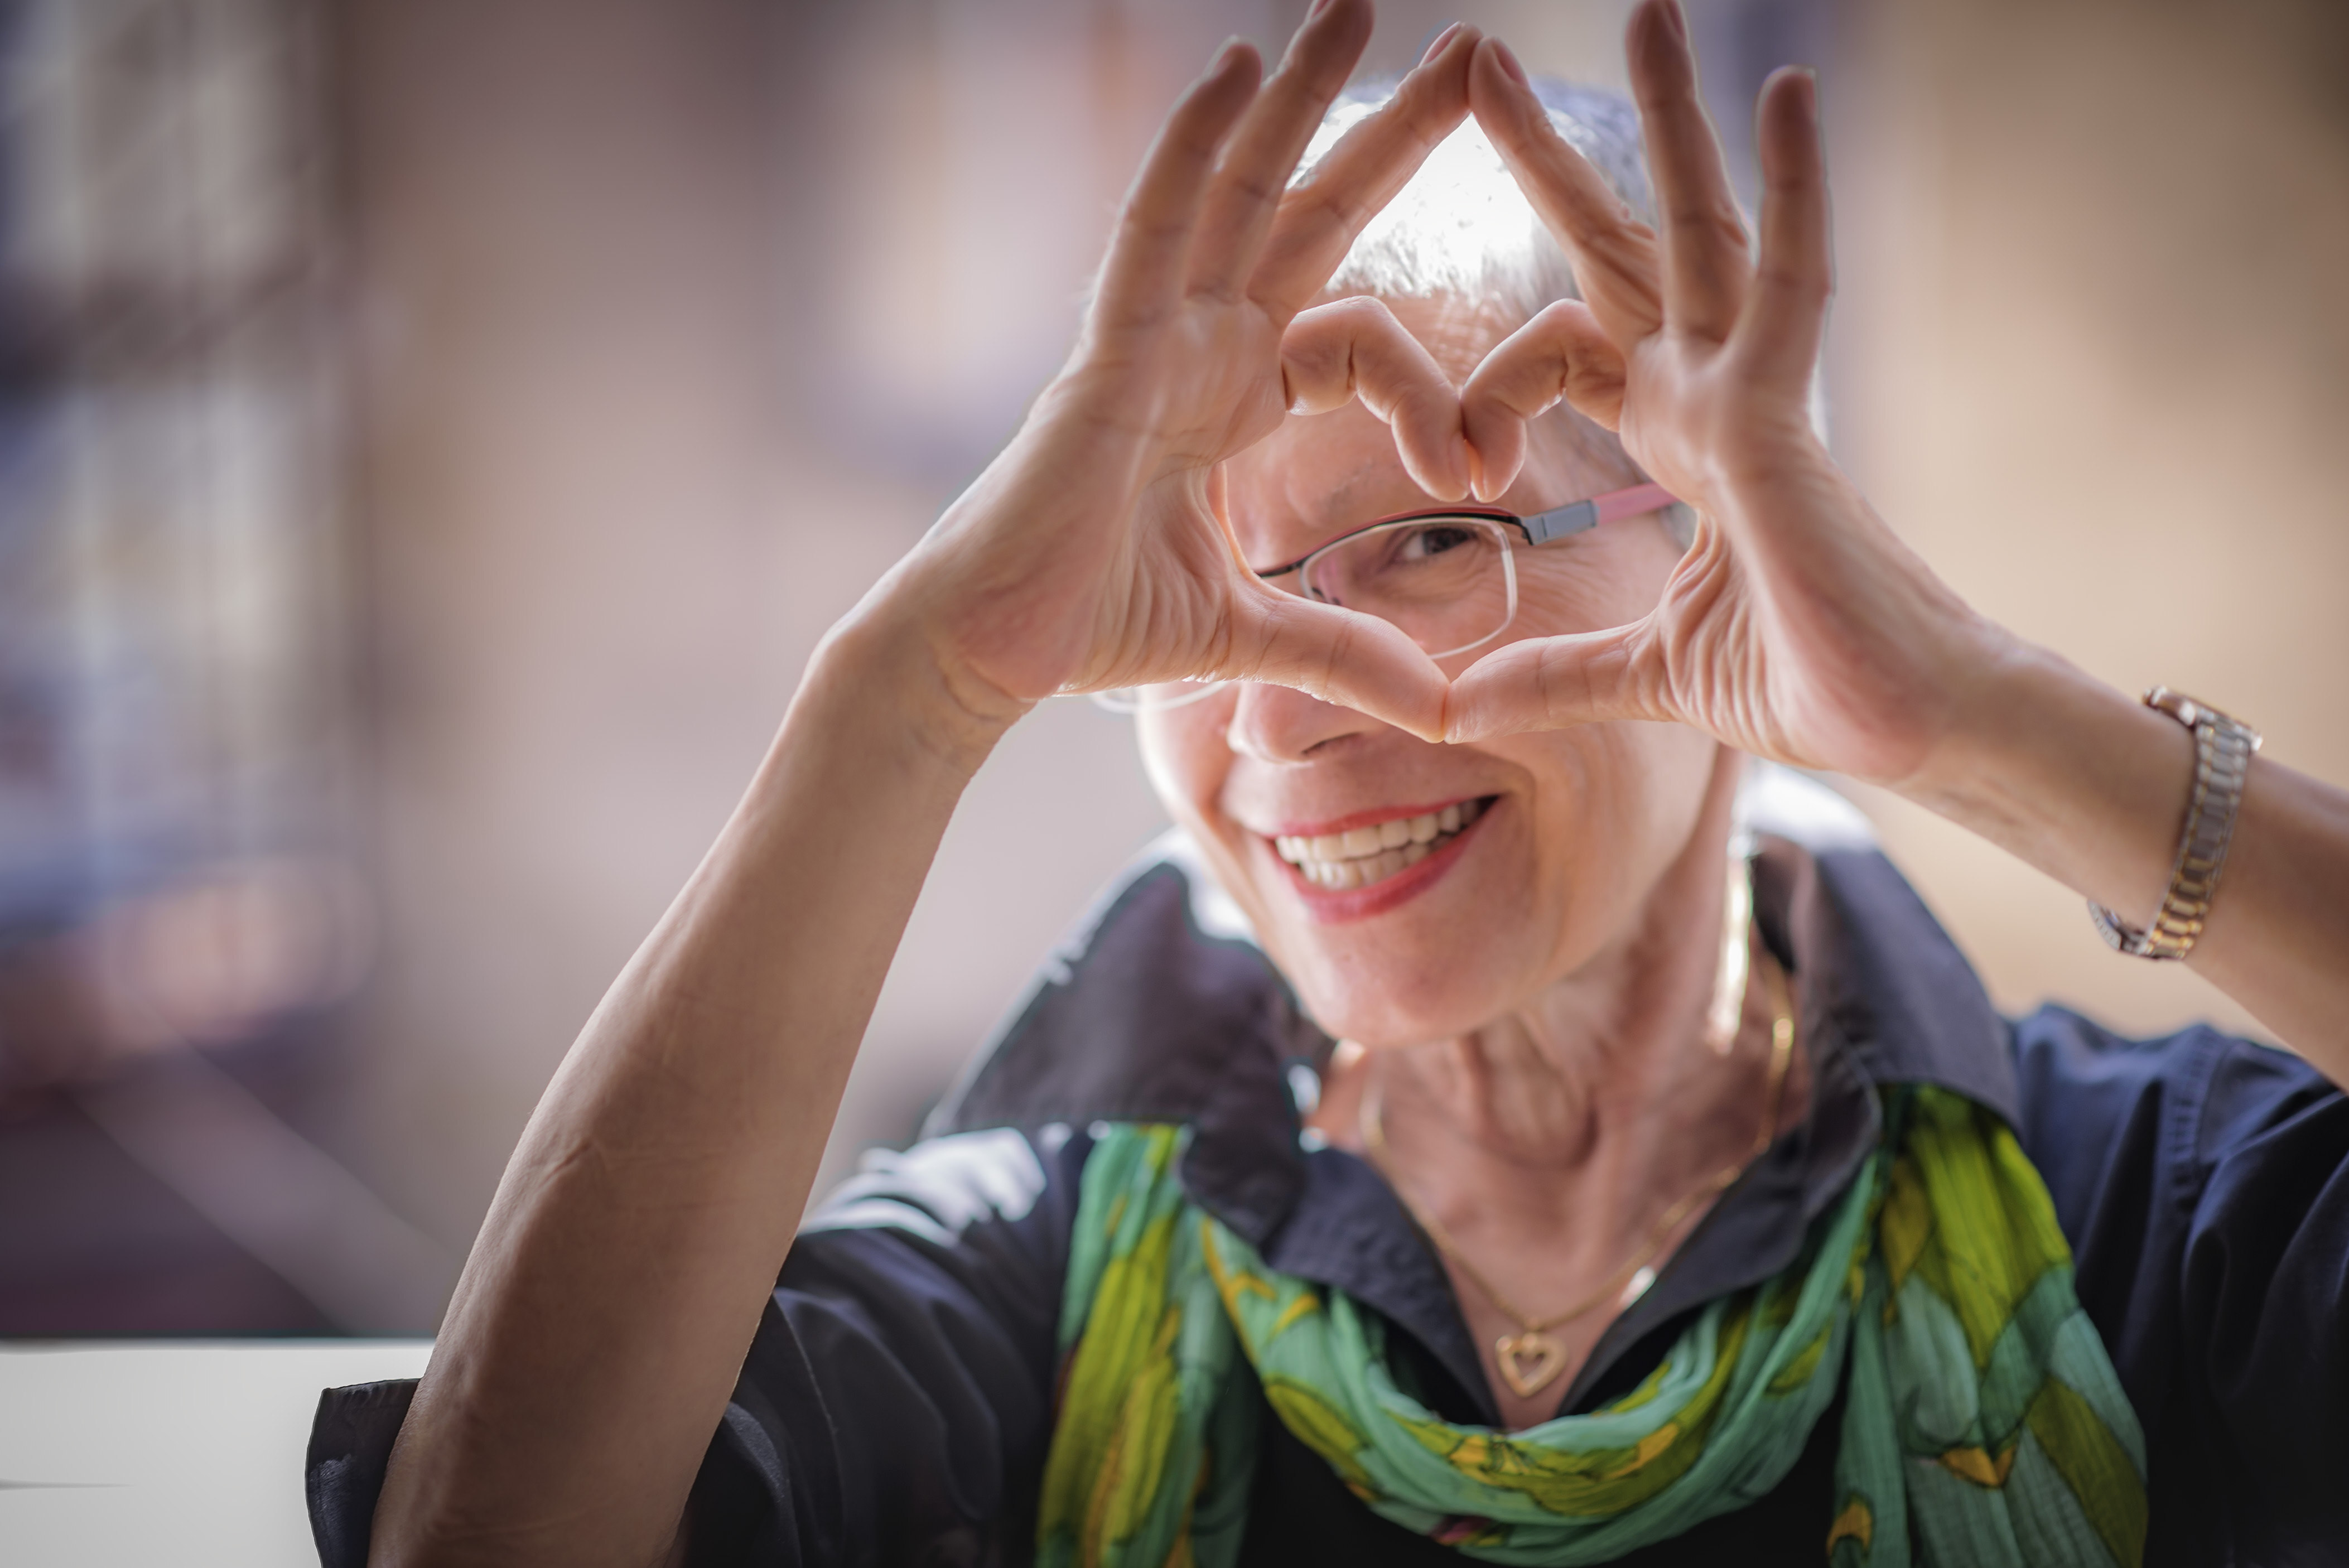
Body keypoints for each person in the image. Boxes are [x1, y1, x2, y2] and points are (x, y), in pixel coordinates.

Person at [306, 3, 2349, 1564]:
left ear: (1721, 549)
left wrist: (1986, 717)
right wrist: (905, 695)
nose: (1277, 715)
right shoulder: (1042, 1258)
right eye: (1198, 597)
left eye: (1434, 542)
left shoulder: (2137, 1217)